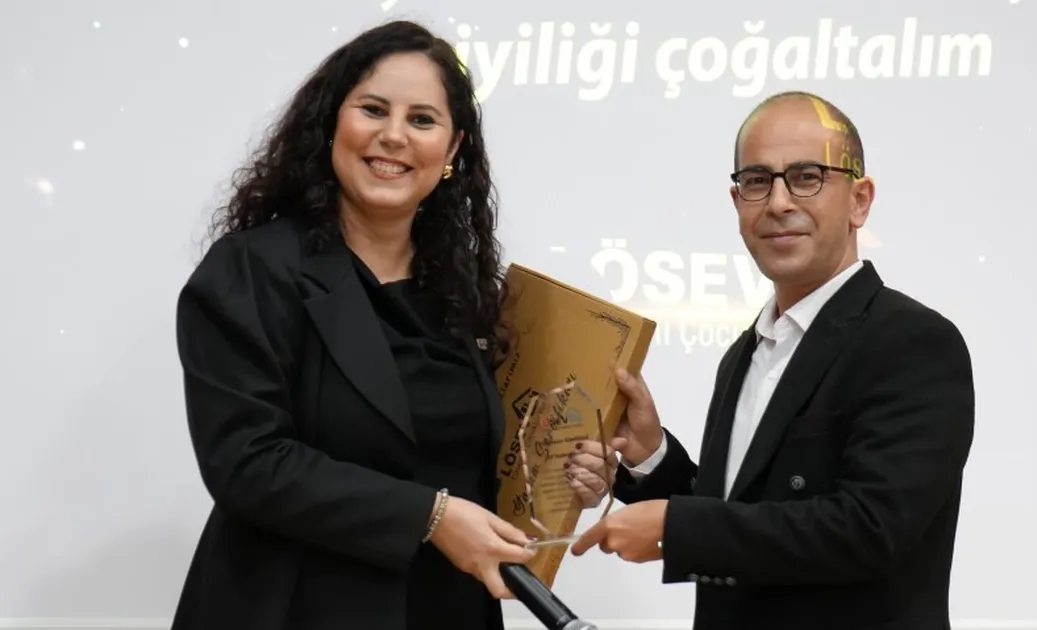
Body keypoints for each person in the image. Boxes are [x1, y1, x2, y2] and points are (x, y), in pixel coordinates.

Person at [171, 20, 611, 630]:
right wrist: (430, 517)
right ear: (331, 123)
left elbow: (480, 462)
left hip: (448, 607)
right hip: (297, 608)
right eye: (373, 110)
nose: (394, 136)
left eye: (422, 120)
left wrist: (568, 477)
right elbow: (247, 463)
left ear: (452, 151)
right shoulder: (251, 269)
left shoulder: (465, 293)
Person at [569, 91, 976, 629]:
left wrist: (676, 528)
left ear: (860, 200)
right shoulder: (744, 353)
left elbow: (869, 530)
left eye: (807, 177)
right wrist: (650, 454)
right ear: (737, 201)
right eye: (757, 181)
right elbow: (742, 516)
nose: (779, 202)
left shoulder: (913, 342)